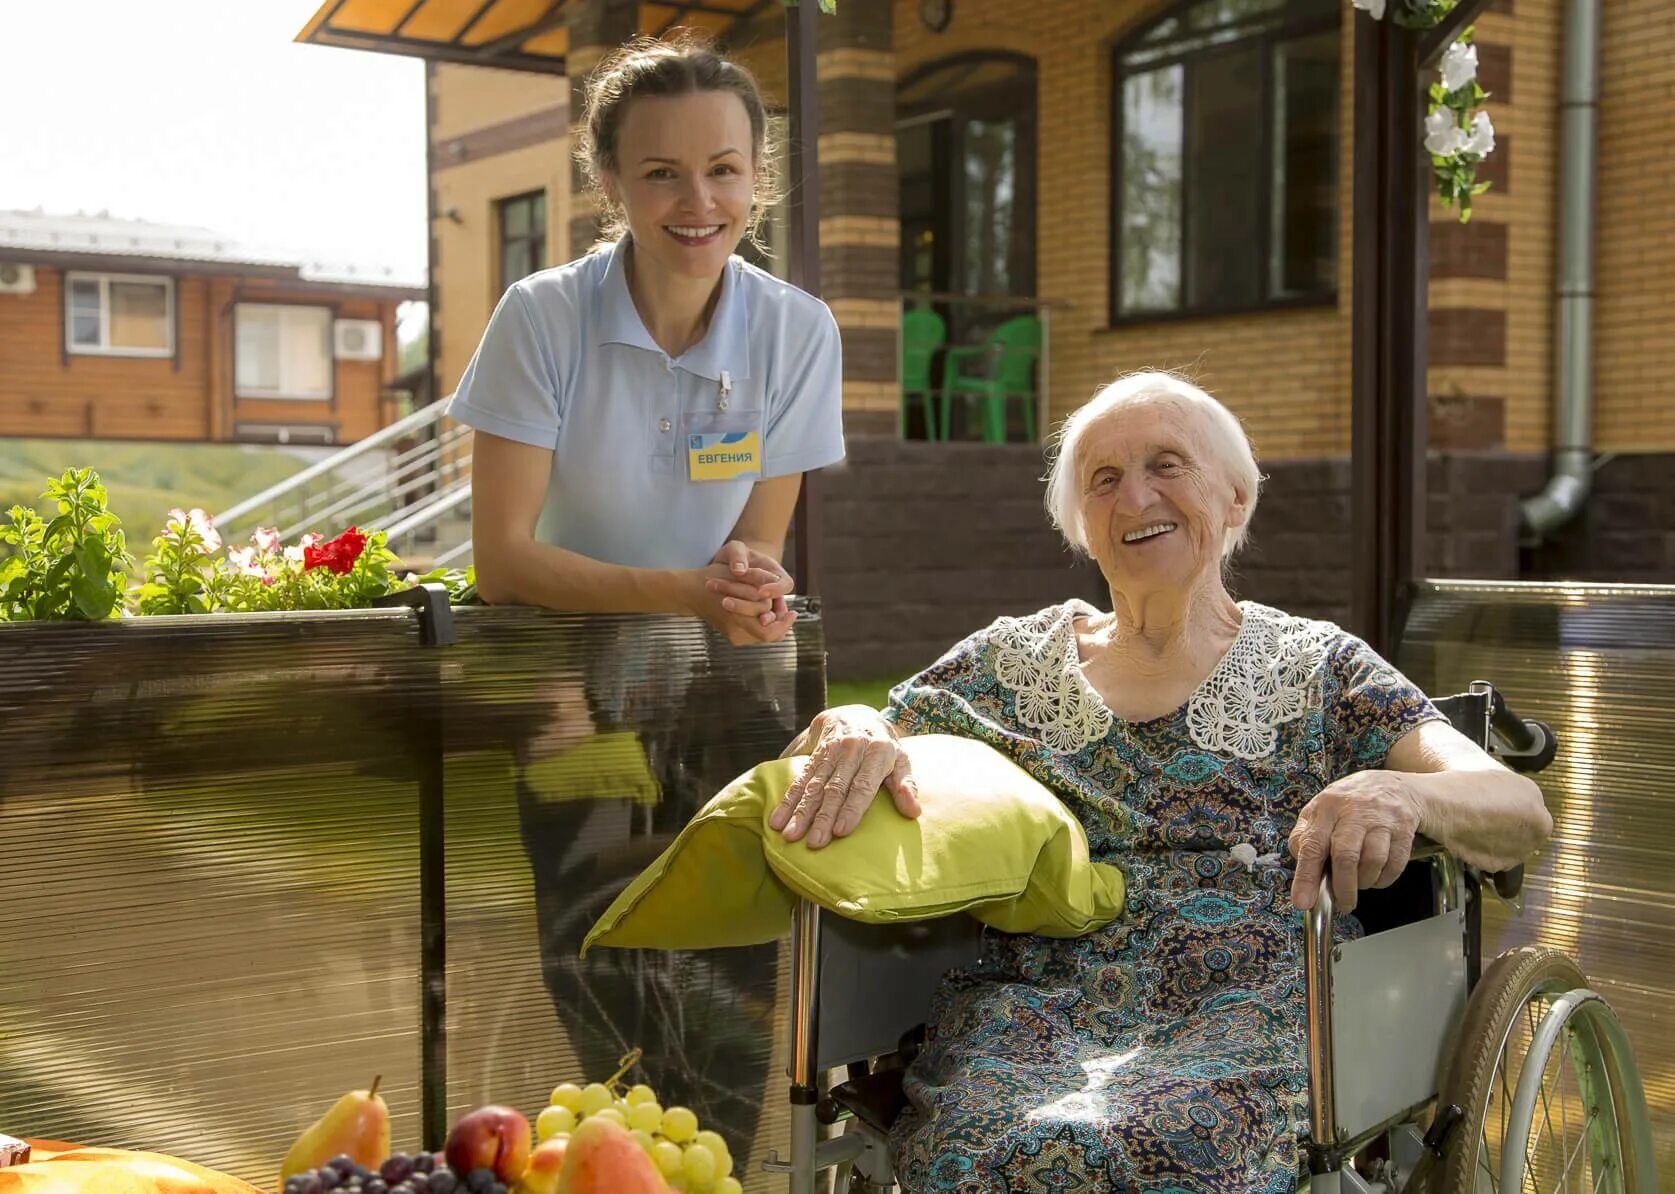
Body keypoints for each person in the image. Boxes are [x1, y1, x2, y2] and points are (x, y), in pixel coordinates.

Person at [770, 371, 1553, 1190]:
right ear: (1082, 527)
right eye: (1102, 481)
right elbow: (841, 749)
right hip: (1034, 1010)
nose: (1134, 496)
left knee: (1175, 1148)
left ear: (1236, 498)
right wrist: (855, 725)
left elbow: (1517, 807)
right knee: (979, 1151)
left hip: (1259, 1006)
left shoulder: (1319, 667)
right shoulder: (1007, 665)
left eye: (1167, 465)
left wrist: (1401, 791)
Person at [447, 33, 844, 646]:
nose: (699, 201)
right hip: (548, 665)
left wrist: (747, 575)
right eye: (662, 173)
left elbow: (760, 536)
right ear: (609, 178)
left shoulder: (800, 331)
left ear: (756, 176)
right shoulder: (538, 316)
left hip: (707, 660)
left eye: (723, 169)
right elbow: (503, 565)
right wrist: (684, 591)